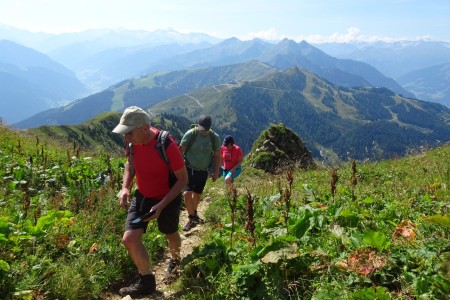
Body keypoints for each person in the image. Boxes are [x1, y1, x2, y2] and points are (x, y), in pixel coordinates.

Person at [112, 106, 188, 296]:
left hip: (167, 197)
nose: (126, 137)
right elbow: (130, 164)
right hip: (143, 196)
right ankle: (147, 282)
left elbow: (183, 179)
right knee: (129, 239)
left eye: (129, 132)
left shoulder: (166, 144)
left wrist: (162, 205)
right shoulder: (131, 144)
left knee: (170, 232)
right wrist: (124, 188)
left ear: (144, 128)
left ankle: (175, 260)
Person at [179, 115, 221, 231]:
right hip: (188, 168)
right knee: (187, 193)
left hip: (203, 171)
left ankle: (194, 215)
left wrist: (216, 171)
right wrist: (177, 165)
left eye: (205, 129)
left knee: (197, 194)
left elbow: (217, 155)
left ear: (210, 127)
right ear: (198, 125)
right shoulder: (191, 134)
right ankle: (192, 217)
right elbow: (180, 150)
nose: (203, 131)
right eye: (201, 128)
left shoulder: (214, 138)